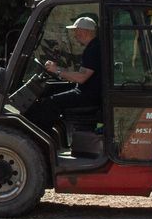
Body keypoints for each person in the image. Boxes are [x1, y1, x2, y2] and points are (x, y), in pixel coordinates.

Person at [27, 15, 102, 146]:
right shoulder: (93, 47)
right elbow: (81, 75)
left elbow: (81, 78)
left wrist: (57, 70)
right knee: (48, 90)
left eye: (76, 31)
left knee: (50, 103)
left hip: (89, 95)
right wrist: (58, 69)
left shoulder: (93, 49)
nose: (74, 34)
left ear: (85, 31)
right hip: (88, 90)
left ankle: (37, 141)